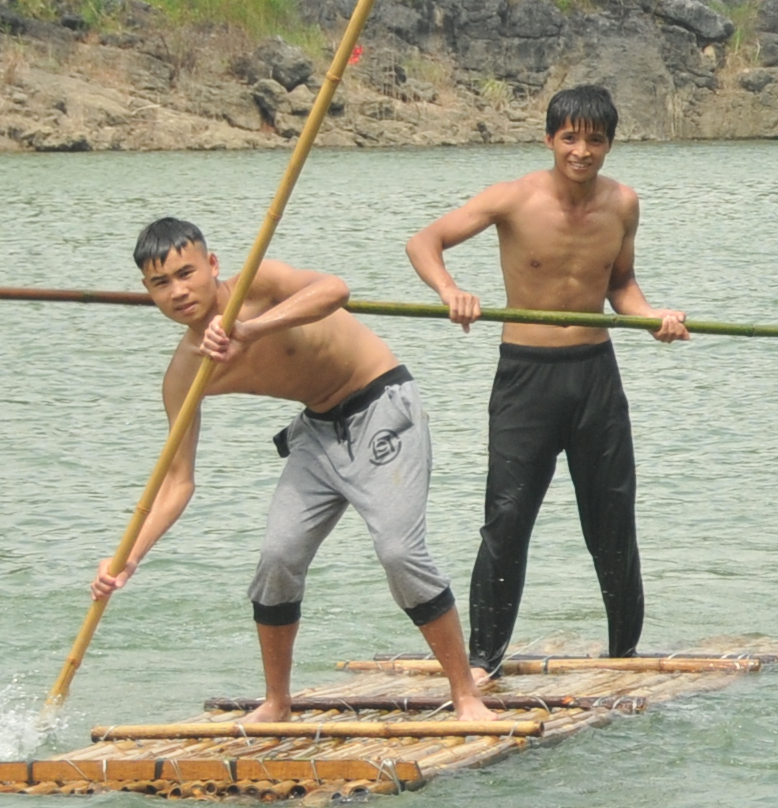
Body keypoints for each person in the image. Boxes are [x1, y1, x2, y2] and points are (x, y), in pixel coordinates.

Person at [96, 216, 495, 723]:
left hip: (383, 405)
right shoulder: (185, 373)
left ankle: (465, 695)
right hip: (316, 433)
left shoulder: (257, 284)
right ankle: (277, 702)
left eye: (186, 273)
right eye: (161, 283)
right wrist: (127, 557)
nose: (178, 291)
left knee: (398, 552)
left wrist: (251, 327)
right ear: (148, 292)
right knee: (277, 558)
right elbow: (178, 480)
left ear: (212, 265)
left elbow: (336, 289)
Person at [407, 83, 686, 666]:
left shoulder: (623, 204)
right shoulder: (512, 199)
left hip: (595, 378)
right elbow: (424, 242)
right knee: (506, 521)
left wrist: (654, 317)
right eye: (570, 139)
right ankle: (483, 661)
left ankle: (624, 655)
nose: (581, 151)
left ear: (609, 145)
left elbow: (619, 287)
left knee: (612, 522)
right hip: (526, 379)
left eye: (595, 141)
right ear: (549, 139)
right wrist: (451, 291)